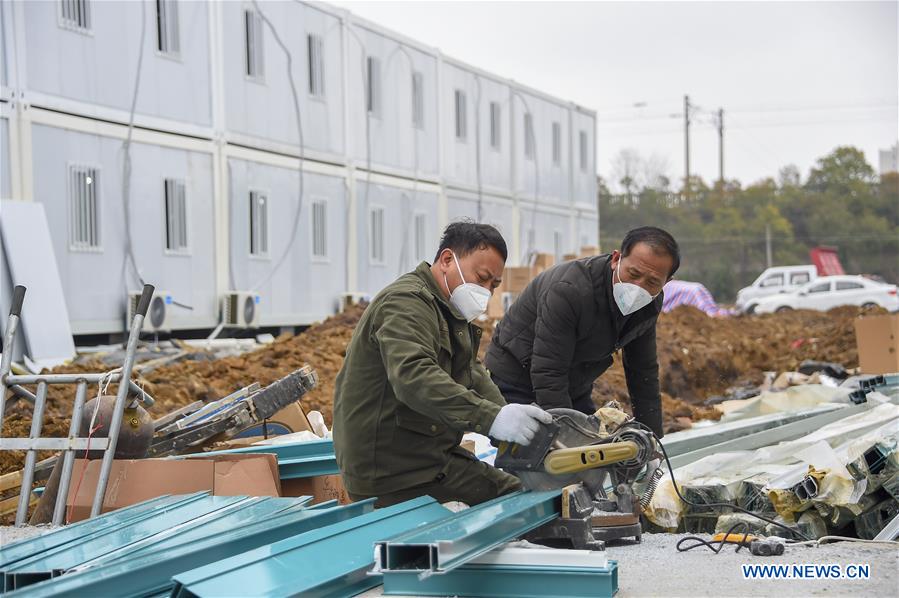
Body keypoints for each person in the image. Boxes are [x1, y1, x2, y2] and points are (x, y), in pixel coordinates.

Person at [332, 221, 552, 507]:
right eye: (481, 277)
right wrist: (492, 419)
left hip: (423, 456)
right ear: (447, 260)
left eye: (493, 285)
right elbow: (414, 377)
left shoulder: (446, 308)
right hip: (393, 470)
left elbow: (471, 373)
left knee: (525, 496)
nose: (485, 291)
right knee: (522, 505)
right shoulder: (406, 303)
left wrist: (508, 423)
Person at [484, 226, 680, 437]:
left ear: (665, 283)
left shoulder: (649, 304)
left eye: (652, 282)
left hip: (574, 382)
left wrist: (652, 438)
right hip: (516, 377)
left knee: (593, 450)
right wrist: (567, 436)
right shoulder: (569, 290)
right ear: (616, 259)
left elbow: (643, 373)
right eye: (633, 274)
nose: (638, 287)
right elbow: (549, 370)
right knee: (535, 456)